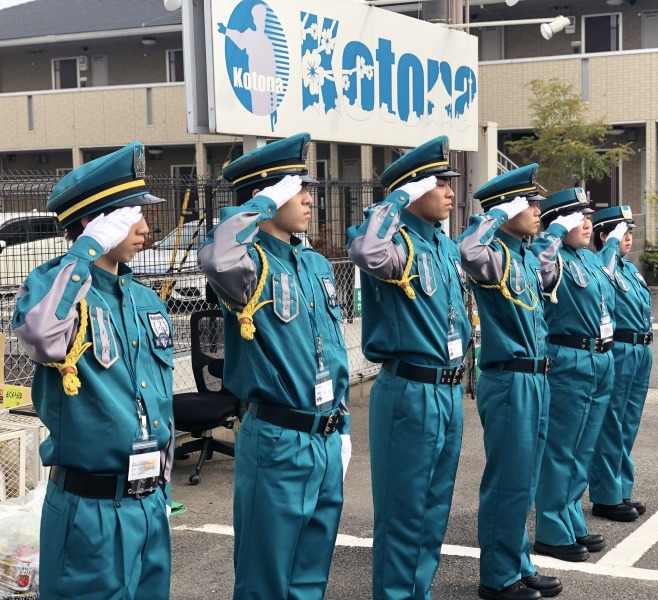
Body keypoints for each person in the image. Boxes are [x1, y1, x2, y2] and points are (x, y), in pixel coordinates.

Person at [13, 142, 174, 599]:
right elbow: (43, 335)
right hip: (90, 510)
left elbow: (157, 399)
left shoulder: (144, 297)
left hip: (147, 503)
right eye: (131, 216)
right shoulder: (53, 286)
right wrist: (85, 252)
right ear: (97, 222)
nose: (145, 227)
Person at [199, 133, 351, 600]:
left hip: (325, 435)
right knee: (266, 575)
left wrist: (341, 423)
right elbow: (215, 255)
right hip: (278, 439)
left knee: (310, 570)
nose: (308, 198)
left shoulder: (313, 264)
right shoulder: (247, 265)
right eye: (295, 189)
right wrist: (261, 204)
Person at [347, 136, 471, 600]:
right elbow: (366, 253)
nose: (450, 191)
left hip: (447, 391)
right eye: (438, 182)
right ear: (413, 188)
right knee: (403, 514)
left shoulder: (439, 243)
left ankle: (418, 592)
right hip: (410, 393)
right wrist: (394, 199)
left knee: (433, 510)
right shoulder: (393, 243)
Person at [459, 164, 577, 600]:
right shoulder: (491, 253)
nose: (538, 209)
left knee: (525, 480)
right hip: (509, 380)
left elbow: (548, 269)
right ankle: (497, 576)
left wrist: (547, 235)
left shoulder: (522, 252)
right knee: (507, 481)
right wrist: (492, 216)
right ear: (504, 208)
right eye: (528, 202)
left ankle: (519, 562)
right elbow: (468, 251)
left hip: (536, 378)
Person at [532, 187, 633, 563]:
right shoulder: (552, 256)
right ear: (557, 222)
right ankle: (552, 528)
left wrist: (615, 230)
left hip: (599, 358)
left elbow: (609, 259)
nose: (586, 223)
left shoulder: (589, 259)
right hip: (569, 359)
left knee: (582, 448)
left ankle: (570, 517)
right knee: (561, 449)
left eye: (588, 216)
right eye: (576, 216)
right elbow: (538, 269)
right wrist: (554, 232)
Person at [588, 206, 653, 520]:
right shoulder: (604, 264)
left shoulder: (628, 268)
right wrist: (611, 248)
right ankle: (606, 495)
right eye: (621, 233)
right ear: (604, 237)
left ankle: (622, 488)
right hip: (621, 348)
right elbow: (603, 273)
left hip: (640, 350)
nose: (628, 238)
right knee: (611, 424)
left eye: (629, 233)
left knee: (628, 423)